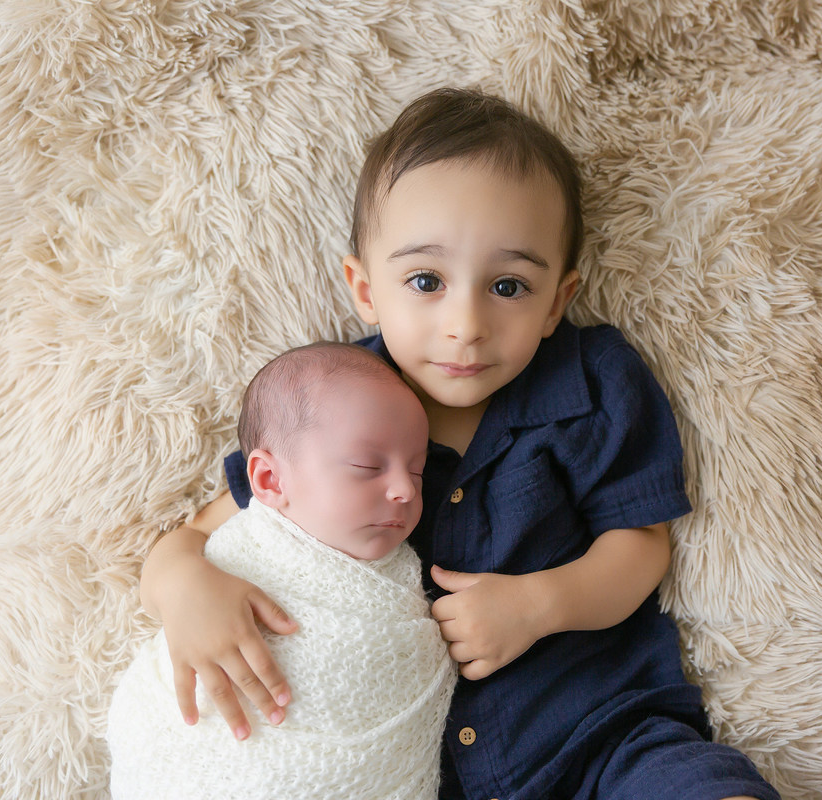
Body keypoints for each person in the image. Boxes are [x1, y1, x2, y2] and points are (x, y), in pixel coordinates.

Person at [139, 88, 780, 800]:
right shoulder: (331, 400)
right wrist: (184, 588)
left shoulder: (592, 382)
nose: (466, 322)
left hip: (599, 736)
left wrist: (537, 605)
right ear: (365, 288)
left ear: (557, 302)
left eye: (508, 285)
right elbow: (196, 534)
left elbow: (640, 546)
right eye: (425, 280)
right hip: (419, 771)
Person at [109, 342, 455, 799]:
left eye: (417, 471)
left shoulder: (401, 571)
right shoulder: (247, 542)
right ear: (271, 481)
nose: (403, 491)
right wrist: (185, 589)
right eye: (368, 466)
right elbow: (177, 550)